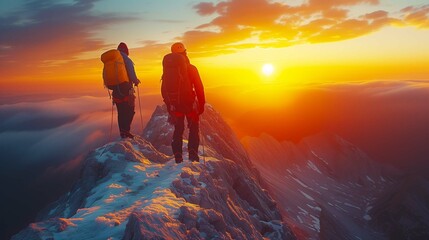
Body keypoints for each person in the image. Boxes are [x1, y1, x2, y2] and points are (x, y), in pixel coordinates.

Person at [162, 42, 205, 163]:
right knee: (193, 128)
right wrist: (201, 105)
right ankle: (192, 153)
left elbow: (163, 88)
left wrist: (169, 105)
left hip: (175, 105)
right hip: (189, 104)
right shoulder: (191, 68)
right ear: (184, 53)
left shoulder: (167, 70)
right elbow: (199, 87)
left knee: (178, 129)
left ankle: (177, 155)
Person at [112, 42, 140, 139]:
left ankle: (122, 132)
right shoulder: (126, 59)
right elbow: (132, 75)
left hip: (116, 91)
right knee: (130, 111)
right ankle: (126, 131)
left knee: (121, 112)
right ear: (126, 50)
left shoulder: (112, 60)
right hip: (126, 90)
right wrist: (136, 81)